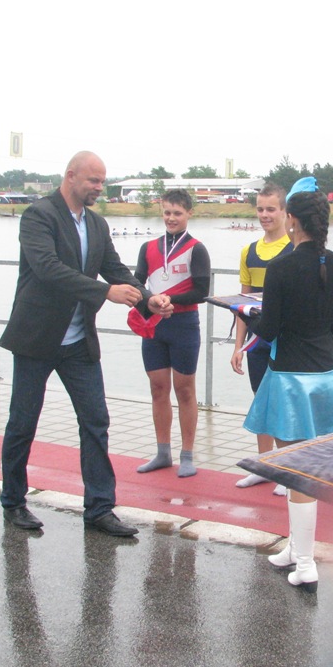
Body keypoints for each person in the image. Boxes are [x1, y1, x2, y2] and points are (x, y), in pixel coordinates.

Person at [0, 150, 173, 536]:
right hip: (37, 338)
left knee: (96, 421)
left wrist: (147, 300)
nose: (99, 187)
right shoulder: (39, 216)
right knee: (23, 423)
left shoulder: (96, 223)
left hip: (78, 342)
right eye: (93, 180)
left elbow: (114, 269)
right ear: (71, 176)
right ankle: (13, 502)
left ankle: (99, 509)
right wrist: (104, 292)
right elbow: (48, 269)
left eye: (102, 181)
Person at [243, 177, 333, 591]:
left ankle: (306, 561)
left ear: (292, 220)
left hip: (291, 377)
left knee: (298, 469)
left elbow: (268, 329)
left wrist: (246, 315)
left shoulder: (282, 268)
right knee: (299, 468)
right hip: (327, 375)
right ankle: (295, 547)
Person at [134, 189, 211, 478]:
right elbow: (137, 285)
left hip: (184, 324)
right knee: (158, 388)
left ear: (189, 213)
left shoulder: (196, 249)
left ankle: (187, 455)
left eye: (177, 213)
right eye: (167, 212)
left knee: (185, 390)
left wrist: (170, 300)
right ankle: (162, 453)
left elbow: (201, 292)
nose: (171, 218)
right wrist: (149, 302)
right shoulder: (148, 248)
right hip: (155, 325)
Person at [231, 182, 294, 489]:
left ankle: (285, 469)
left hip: (285, 341)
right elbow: (241, 304)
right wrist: (238, 346)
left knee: (282, 404)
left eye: (271, 209)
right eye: (260, 209)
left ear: (284, 211)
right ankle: (264, 465)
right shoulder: (249, 251)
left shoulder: (294, 250)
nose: (265, 215)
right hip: (257, 340)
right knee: (261, 401)